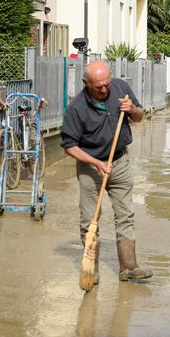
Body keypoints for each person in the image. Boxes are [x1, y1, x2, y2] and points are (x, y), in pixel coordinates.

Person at [61, 60, 153, 282]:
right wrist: (96, 163)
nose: (104, 89)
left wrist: (132, 109)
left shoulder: (120, 88)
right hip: (90, 167)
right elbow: (69, 146)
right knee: (89, 219)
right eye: (98, 86)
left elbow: (140, 117)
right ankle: (91, 270)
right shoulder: (77, 108)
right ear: (86, 83)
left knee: (125, 215)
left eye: (106, 84)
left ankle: (129, 267)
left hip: (120, 162)